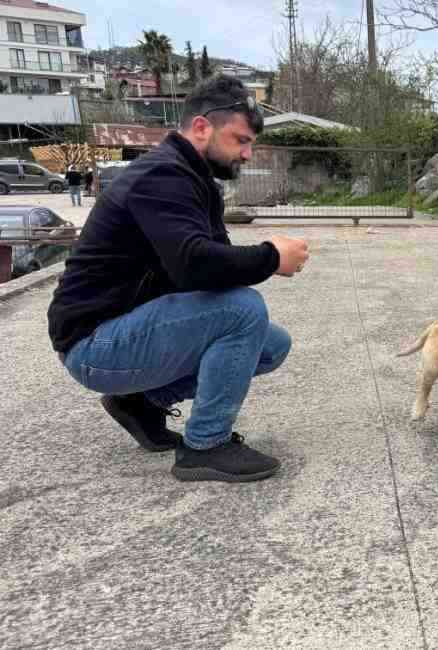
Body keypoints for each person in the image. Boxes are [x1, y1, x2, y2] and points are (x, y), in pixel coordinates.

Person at [47, 75, 310, 483]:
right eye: (240, 140)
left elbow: (211, 273)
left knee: (271, 345)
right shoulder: (161, 177)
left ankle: (139, 403)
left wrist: (260, 259)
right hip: (93, 344)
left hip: (126, 331)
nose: (247, 153)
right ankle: (205, 447)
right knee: (243, 311)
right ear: (202, 127)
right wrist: (271, 256)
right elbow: (194, 266)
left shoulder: (195, 181)